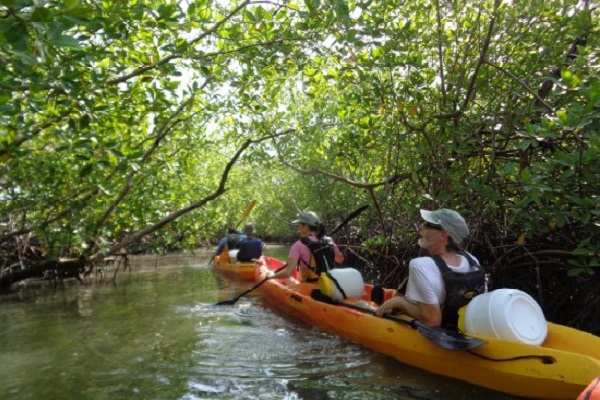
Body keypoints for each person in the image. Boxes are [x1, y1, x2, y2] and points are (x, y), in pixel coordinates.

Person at [375, 208, 486, 329]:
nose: (421, 226)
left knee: (362, 304)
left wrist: (399, 302)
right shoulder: (471, 260)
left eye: (428, 225)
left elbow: (432, 321)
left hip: (437, 332)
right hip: (463, 326)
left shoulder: (420, 265)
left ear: (443, 235)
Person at [269, 211, 344, 281]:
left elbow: (287, 274)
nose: (298, 228)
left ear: (306, 226)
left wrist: (271, 275)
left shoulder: (298, 245)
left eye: (299, 225)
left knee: (288, 280)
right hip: (330, 284)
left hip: (310, 286)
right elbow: (340, 260)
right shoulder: (328, 240)